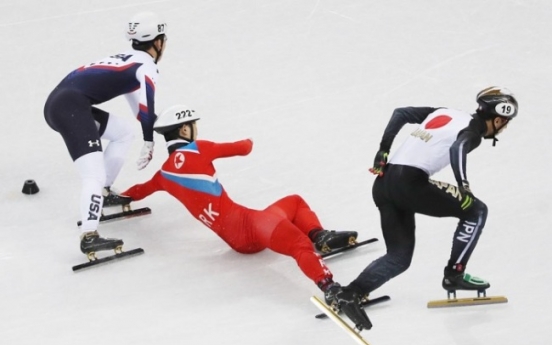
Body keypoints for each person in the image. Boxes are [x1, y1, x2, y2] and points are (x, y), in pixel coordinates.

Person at [325, 86, 519, 330]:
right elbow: (457, 148)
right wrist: (464, 186)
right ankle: (454, 275)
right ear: (498, 119)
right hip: (410, 184)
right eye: (506, 123)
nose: (505, 127)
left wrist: (383, 149)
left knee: (398, 258)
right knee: (476, 211)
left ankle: (350, 293)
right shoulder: (474, 132)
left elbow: (401, 113)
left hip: (384, 184)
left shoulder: (446, 111)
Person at [121, 104, 358, 293]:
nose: (195, 129)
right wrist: (250, 139)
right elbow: (243, 148)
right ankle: (331, 288)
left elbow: (139, 190)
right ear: (184, 130)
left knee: (293, 202)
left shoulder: (163, 175)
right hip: (252, 226)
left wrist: (117, 198)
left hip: (235, 241)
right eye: (193, 125)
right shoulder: (199, 148)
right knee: (300, 245)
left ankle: (320, 236)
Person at [43, 11, 168, 256]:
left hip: (62, 104)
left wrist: (149, 133)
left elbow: (137, 104)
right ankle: (89, 236)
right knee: (93, 174)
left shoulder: (129, 60)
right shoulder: (146, 66)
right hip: (71, 108)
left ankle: (103, 193)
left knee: (122, 132)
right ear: (157, 41)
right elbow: (146, 104)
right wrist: (150, 141)